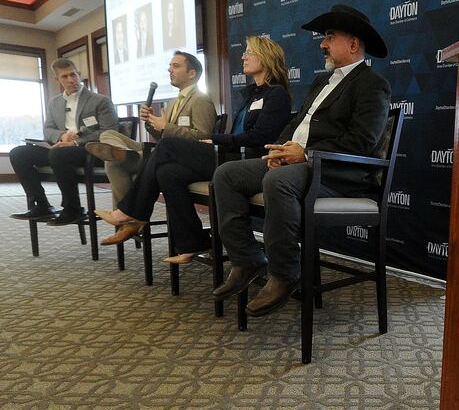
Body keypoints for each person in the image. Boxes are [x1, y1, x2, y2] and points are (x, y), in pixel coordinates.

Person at [210, 5, 391, 317]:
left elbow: (362, 142)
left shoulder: (372, 84)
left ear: (353, 44)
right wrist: (279, 150)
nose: (322, 44)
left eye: (329, 37)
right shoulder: (321, 82)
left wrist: (305, 154)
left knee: (276, 181)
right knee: (226, 175)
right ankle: (247, 259)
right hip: (297, 164)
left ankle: (284, 272)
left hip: (337, 171)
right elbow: (295, 127)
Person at [93, 40, 292, 263]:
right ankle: (192, 242)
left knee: (167, 146)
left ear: (266, 57)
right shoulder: (252, 95)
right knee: (167, 172)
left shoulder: (277, 95)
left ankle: (133, 212)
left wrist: (215, 138)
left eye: (249, 53)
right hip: (227, 156)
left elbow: (260, 137)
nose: (243, 57)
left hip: (244, 162)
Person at [90, 51, 216, 246]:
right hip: (164, 152)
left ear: (192, 73)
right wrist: (151, 124)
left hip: (182, 157)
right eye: (170, 66)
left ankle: (129, 209)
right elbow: (165, 137)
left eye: (176, 66)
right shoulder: (174, 102)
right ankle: (126, 154)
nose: (169, 70)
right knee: (107, 135)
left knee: (120, 164)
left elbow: (204, 137)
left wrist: (166, 126)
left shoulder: (201, 99)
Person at [9, 58, 118, 225]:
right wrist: (61, 136)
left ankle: (73, 209)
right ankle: (41, 205)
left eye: (73, 75)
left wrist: (75, 142)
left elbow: (109, 131)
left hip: (89, 150)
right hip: (60, 149)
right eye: (64, 76)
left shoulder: (100, 101)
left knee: (59, 154)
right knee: (19, 153)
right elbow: (48, 130)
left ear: (79, 74)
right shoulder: (54, 103)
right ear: (57, 79)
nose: (70, 80)